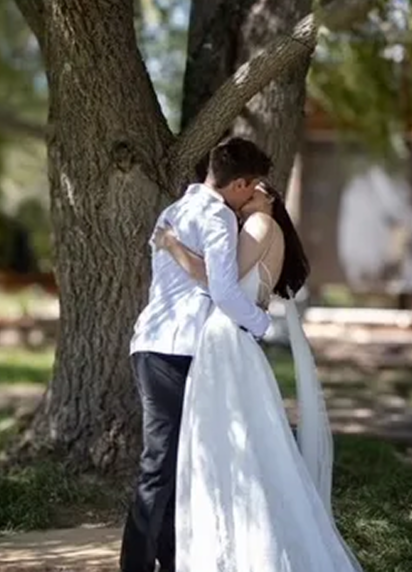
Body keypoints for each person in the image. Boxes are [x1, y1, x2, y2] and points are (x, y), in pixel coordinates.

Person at [155, 182, 364, 571]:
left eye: (251, 193)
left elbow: (220, 283)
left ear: (268, 197)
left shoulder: (261, 225)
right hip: (235, 343)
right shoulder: (268, 229)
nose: (242, 199)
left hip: (225, 343)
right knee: (240, 442)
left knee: (227, 444)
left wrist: (172, 244)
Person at [120, 137, 273, 572]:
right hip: (177, 350)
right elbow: (222, 289)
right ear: (239, 183)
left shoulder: (175, 210)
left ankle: (169, 562)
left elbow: (199, 278)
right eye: (252, 186)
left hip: (151, 344)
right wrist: (262, 325)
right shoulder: (217, 215)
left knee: (172, 464)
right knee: (161, 465)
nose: (251, 196)